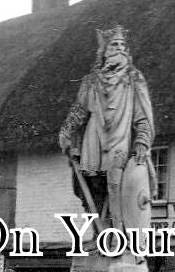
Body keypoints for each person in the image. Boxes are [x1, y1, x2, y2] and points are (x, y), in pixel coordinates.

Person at [57, 24, 156, 234]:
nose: (119, 48)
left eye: (122, 45)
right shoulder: (91, 81)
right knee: (92, 189)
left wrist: (141, 141)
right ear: (105, 50)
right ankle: (99, 234)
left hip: (120, 138)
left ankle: (117, 235)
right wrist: (66, 132)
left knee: (117, 187)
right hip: (94, 140)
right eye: (114, 45)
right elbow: (79, 110)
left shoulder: (134, 78)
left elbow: (142, 116)